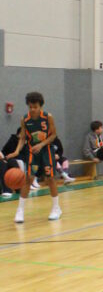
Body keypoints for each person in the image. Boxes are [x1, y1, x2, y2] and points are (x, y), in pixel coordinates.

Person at [5, 92, 63, 223]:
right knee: (28, 179)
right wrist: (16, 152)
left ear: (40, 106)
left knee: (50, 179)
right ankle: (20, 210)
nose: (32, 109)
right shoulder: (25, 119)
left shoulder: (48, 117)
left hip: (46, 150)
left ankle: (56, 208)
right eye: (30, 107)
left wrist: (41, 144)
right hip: (32, 152)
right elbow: (23, 138)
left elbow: (53, 135)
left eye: (35, 107)